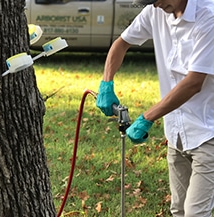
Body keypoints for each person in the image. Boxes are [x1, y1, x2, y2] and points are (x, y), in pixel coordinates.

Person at [96, 0, 214, 216]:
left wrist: (147, 117)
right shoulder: (155, 11)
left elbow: (194, 83)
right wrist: (106, 82)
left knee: (195, 213)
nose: (156, 4)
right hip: (177, 133)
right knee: (178, 210)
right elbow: (121, 43)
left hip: (208, 133)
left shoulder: (209, 17)